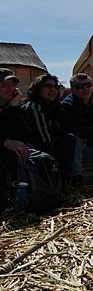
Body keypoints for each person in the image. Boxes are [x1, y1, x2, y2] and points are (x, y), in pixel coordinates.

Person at [22, 74, 76, 184]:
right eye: (48, 86)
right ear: (38, 89)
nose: (53, 90)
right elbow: (44, 139)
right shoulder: (35, 107)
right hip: (32, 147)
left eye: (55, 87)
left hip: (46, 144)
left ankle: (66, 180)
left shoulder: (53, 107)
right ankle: (58, 182)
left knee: (69, 139)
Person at [0, 69, 31, 209]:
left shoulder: (15, 107)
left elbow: (22, 132)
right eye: (5, 85)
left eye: (13, 85)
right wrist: (5, 142)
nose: (11, 89)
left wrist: (13, 107)